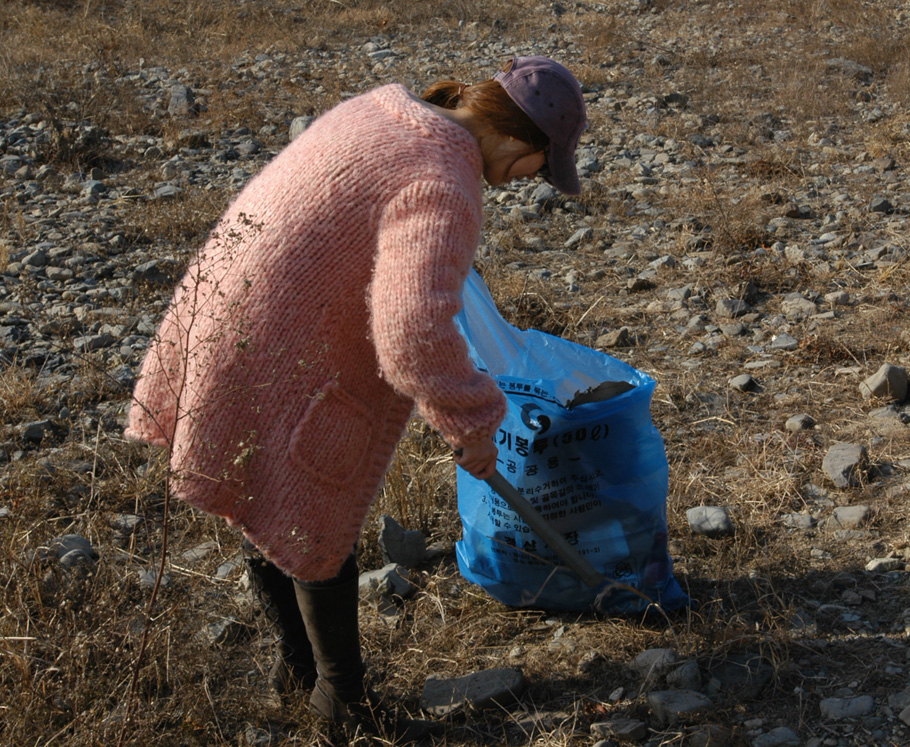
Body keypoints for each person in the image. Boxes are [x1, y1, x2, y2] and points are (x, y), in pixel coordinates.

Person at [125, 55, 587, 743]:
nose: (527, 185)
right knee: (313, 521)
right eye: (538, 171)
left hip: (225, 319)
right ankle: (343, 705)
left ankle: (297, 672)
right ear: (522, 144)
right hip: (284, 352)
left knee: (260, 496)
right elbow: (410, 333)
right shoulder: (446, 180)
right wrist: (473, 418)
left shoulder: (385, 110)